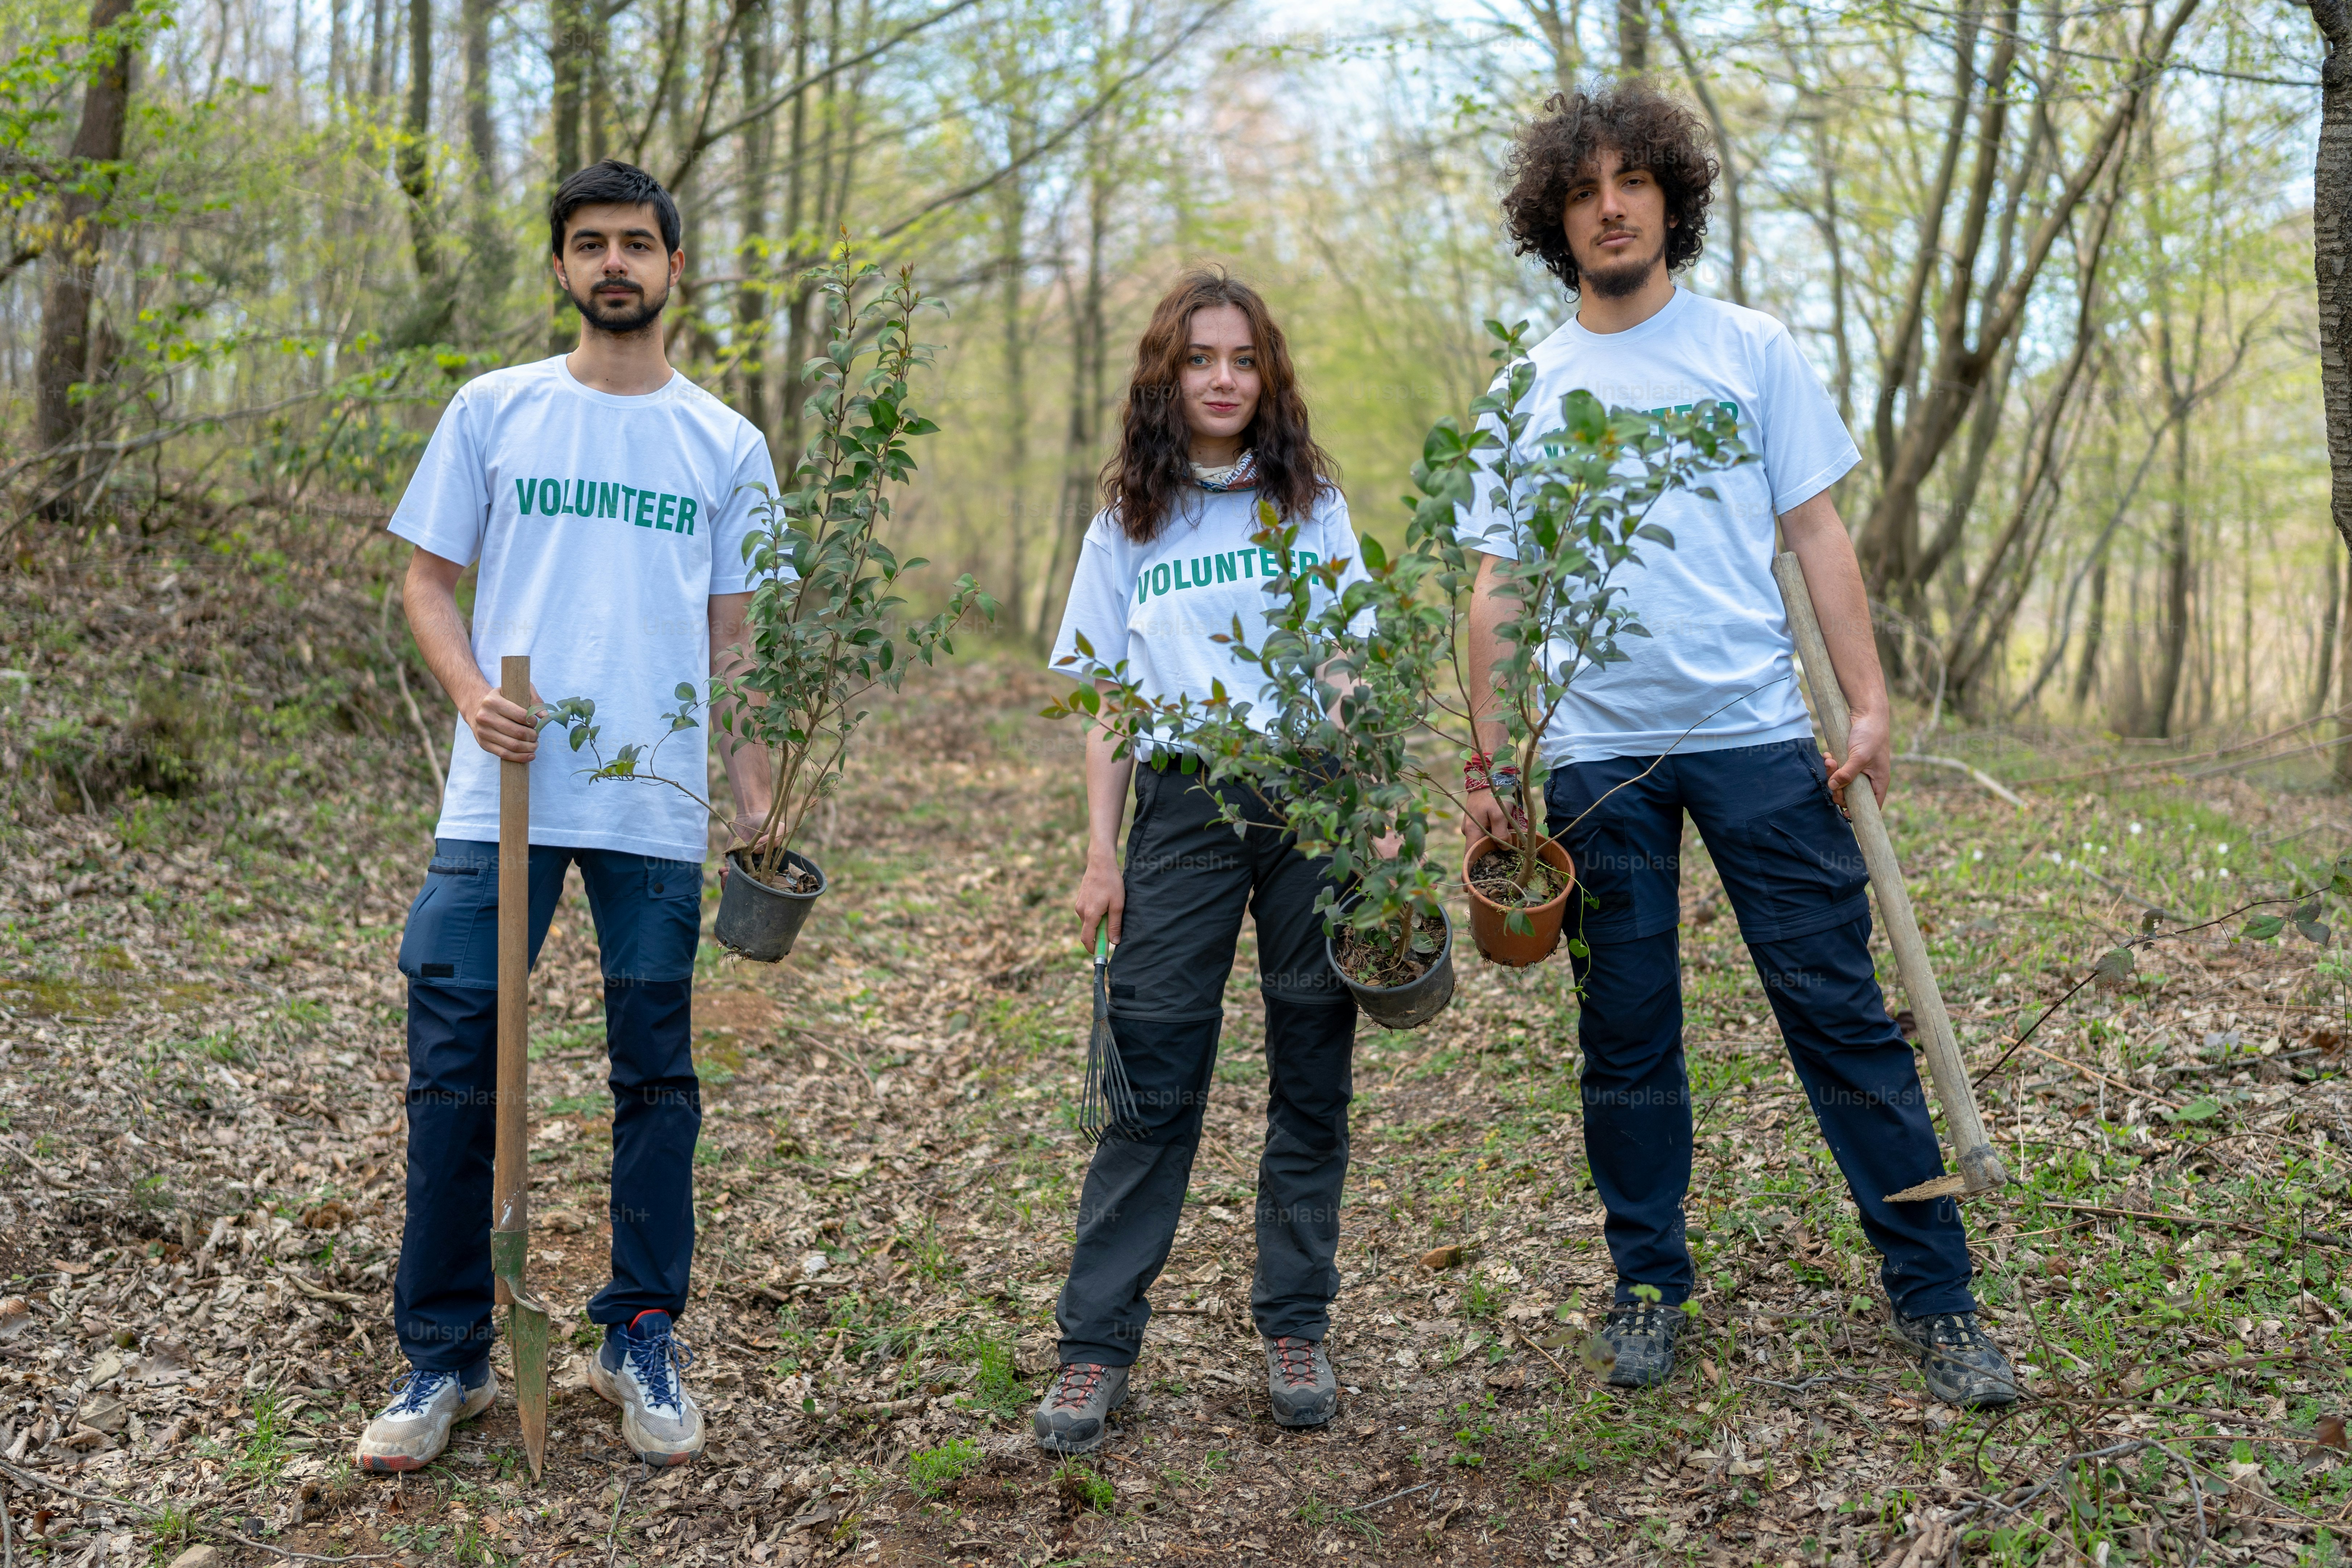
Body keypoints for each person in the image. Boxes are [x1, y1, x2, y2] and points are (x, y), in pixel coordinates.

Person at [1461, 86, 2016, 1407]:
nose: (1610, 205)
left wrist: (1867, 704)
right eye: (1585, 187)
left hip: (1761, 736)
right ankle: (1646, 1282)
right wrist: (1490, 765)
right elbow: (1495, 583)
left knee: (1836, 1012)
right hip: (1596, 755)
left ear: (1670, 200)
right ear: (1554, 216)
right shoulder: (1524, 390)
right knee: (1627, 1030)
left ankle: (1934, 1296)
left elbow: (1815, 534)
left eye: (1633, 182)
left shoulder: (1752, 349)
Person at [355, 159, 781, 1472]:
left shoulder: (725, 443)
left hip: (651, 806)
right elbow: (430, 584)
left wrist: (756, 811)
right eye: (590, 244)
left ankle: (639, 1333)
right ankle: (444, 1360)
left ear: (672, 269)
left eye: (636, 245)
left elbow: (740, 646)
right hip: (502, 795)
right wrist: (475, 692)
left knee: (655, 1071)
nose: (614, 265)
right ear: (559, 267)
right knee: (454, 1061)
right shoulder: (495, 412)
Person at [1035, 270, 1374, 1454]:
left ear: (1265, 372)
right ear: (1165, 375)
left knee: (1309, 1065)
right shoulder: (1129, 516)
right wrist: (1098, 852)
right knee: (1152, 1074)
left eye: (1240, 359)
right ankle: (1093, 1348)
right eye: (1199, 360)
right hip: (1180, 813)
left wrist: (1369, 810)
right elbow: (1111, 703)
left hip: (1306, 806)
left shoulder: (1310, 502)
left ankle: (1294, 1321)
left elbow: (1346, 665)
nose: (1222, 379)